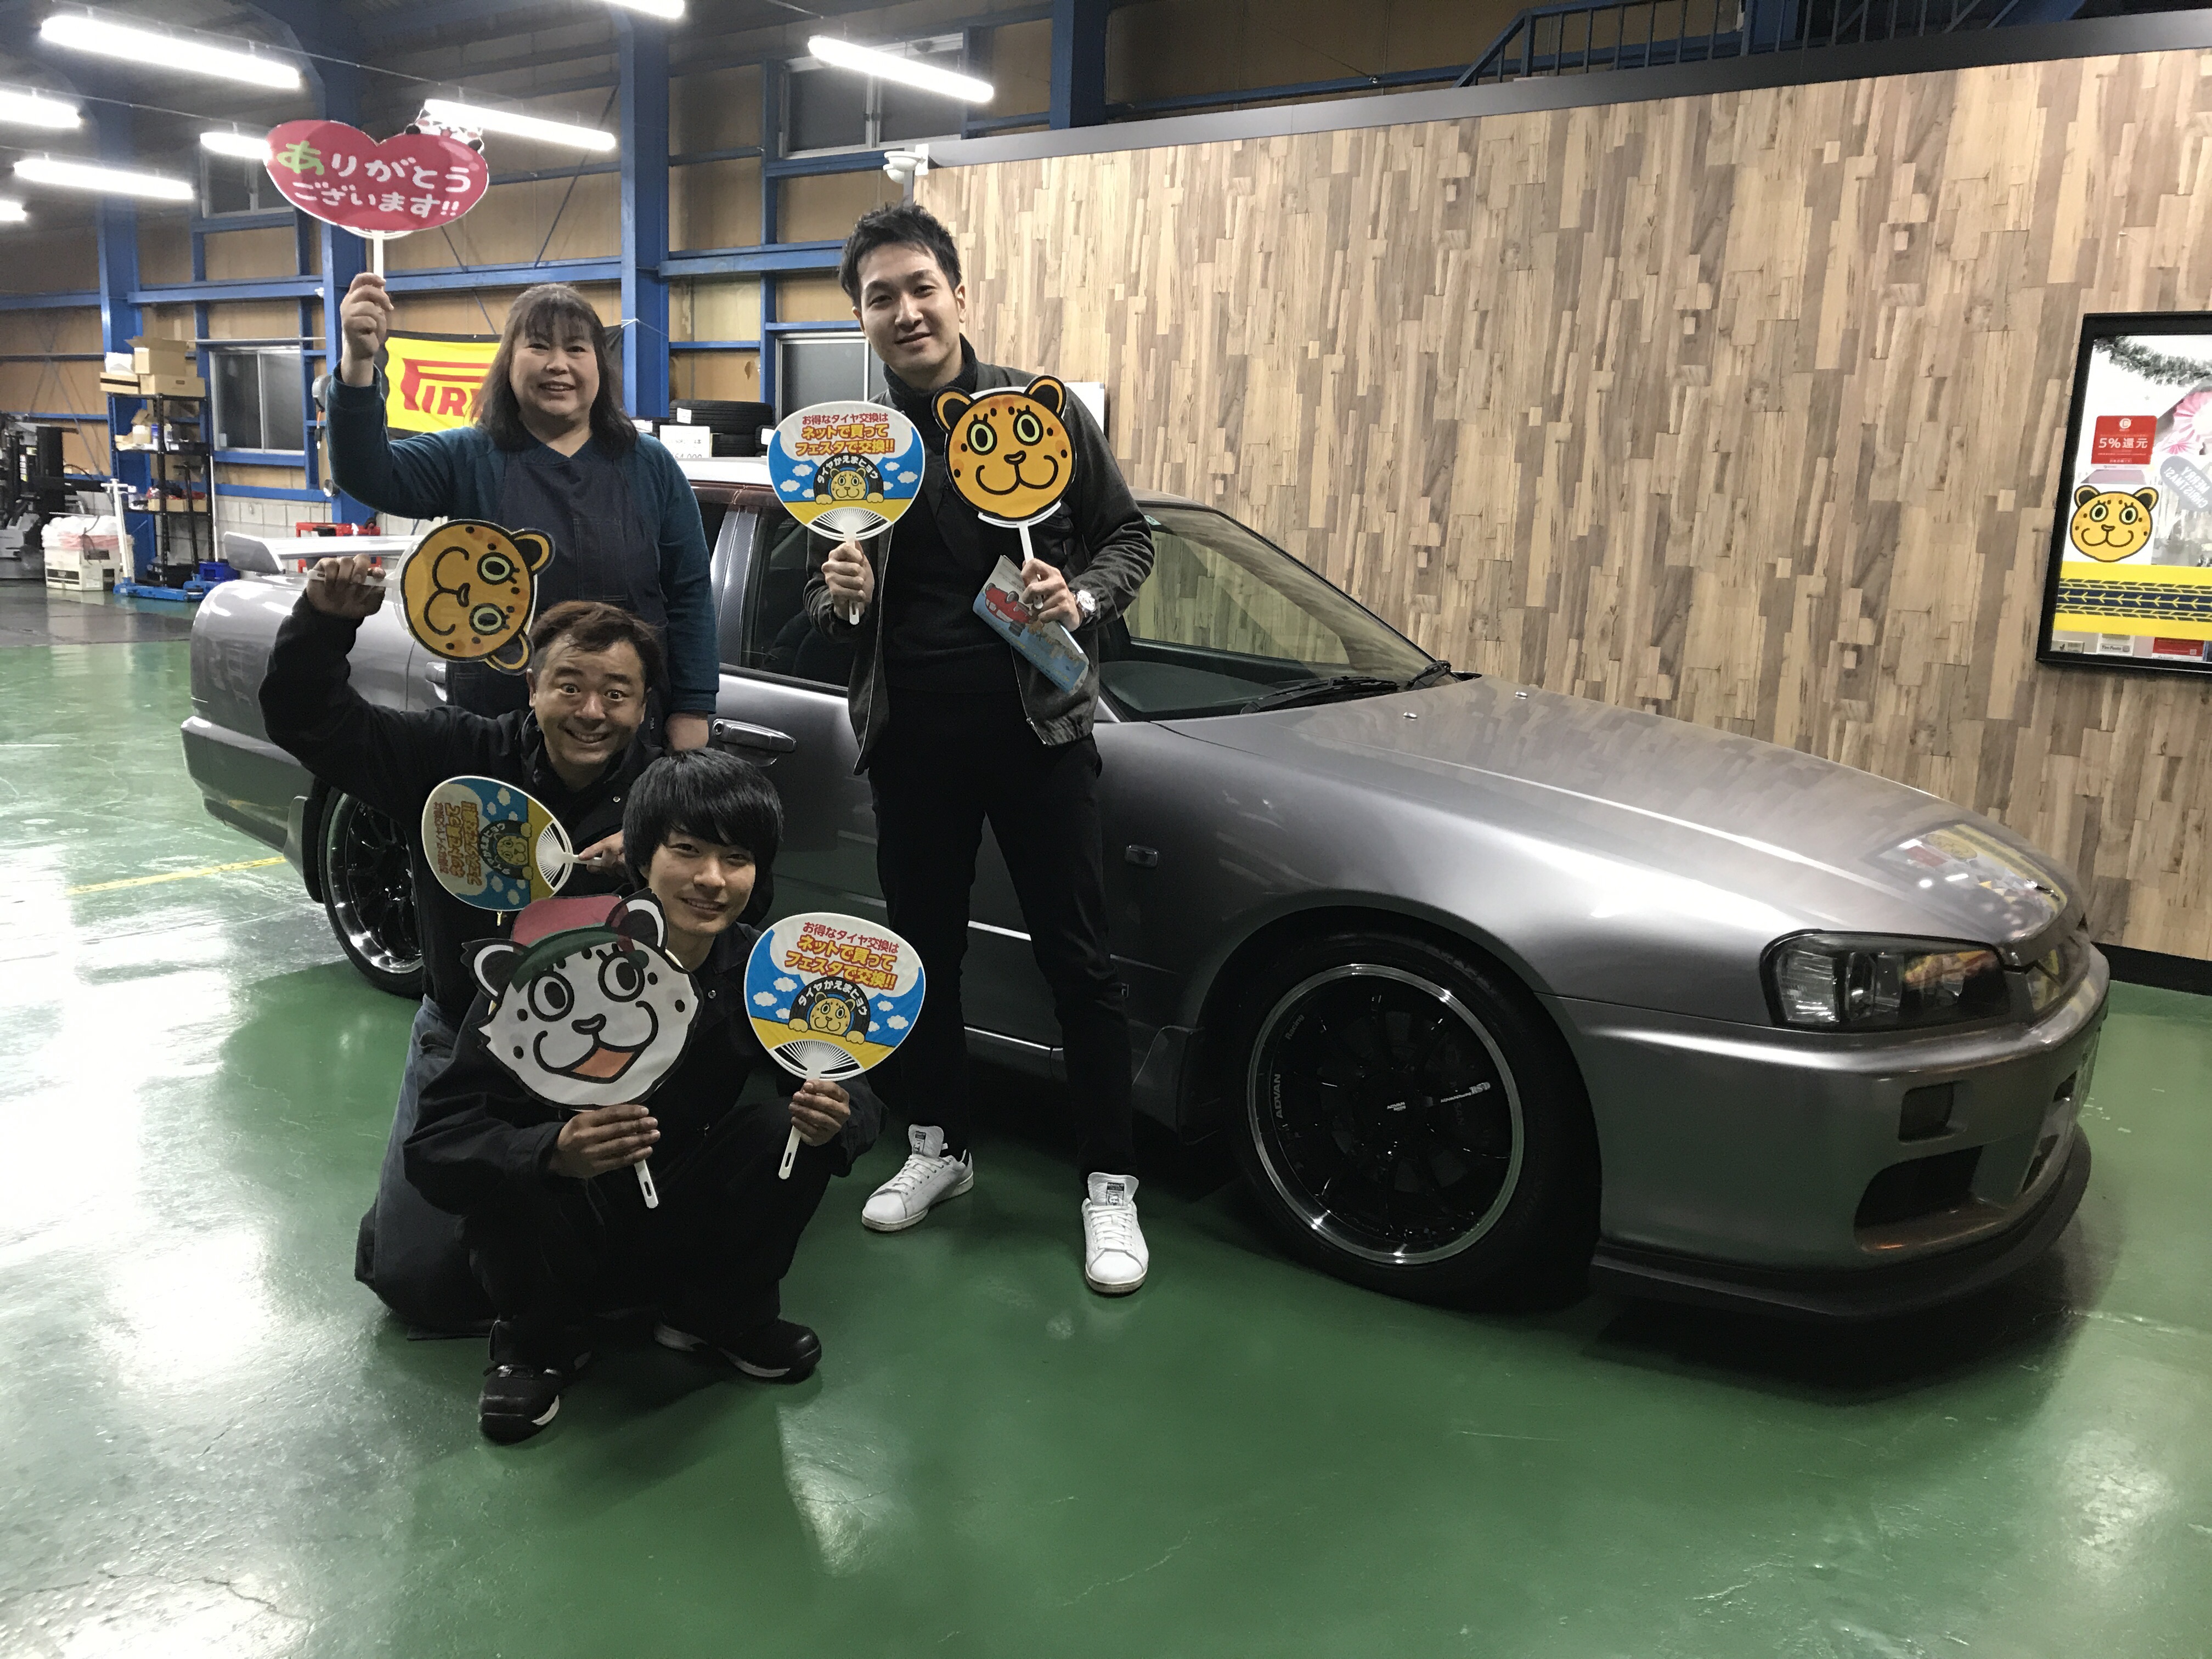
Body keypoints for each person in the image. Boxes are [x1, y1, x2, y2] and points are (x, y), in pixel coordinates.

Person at [803, 203, 1156, 1295]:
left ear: (958, 294)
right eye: (881, 297)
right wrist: (840, 590)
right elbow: (820, 603)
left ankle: (1108, 1182)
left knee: (1078, 962)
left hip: (1038, 729)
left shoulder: (1033, 412)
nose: (906, 311)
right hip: (913, 737)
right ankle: (939, 1145)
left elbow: (1128, 537)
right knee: (921, 955)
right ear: (861, 318)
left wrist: (1078, 595)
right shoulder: (855, 451)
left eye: (922, 287)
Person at [406, 748, 879, 1443]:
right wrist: (551, 1151)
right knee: (520, 1167)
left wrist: (837, 1116)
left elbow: (856, 1091)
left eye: (737, 858)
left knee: (791, 1127)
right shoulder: (551, 968)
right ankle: (537, 1346)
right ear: (642, 859)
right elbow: (438, 1144)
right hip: (563, 1230)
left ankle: (718, 1317)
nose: (712, 879)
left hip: (678, 1212)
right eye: (687, 851)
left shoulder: (766, 971)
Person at [261, 557, 662, 1331]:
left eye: (617, 694)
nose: (592, 711)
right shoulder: (455, 758)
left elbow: (741, 890)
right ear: (532, 688)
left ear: (643, 708)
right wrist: (322, 624)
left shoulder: (664, 793)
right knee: (419, 1288)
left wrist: (653, 855)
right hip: (464, 1037)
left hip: (605, 1046)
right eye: (570, 687)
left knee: (631, 1283)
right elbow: (311, 721)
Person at [325, 275, 716, 751]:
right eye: (538, 346)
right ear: (508, 363)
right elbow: (367, 474)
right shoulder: (468, 457)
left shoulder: (650, 464)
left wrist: (693, 708)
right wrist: (358, 362)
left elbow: (690, 592)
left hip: (626, 729)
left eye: (576, 348)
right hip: (499, 728)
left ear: (600, 363)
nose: (558, 364)